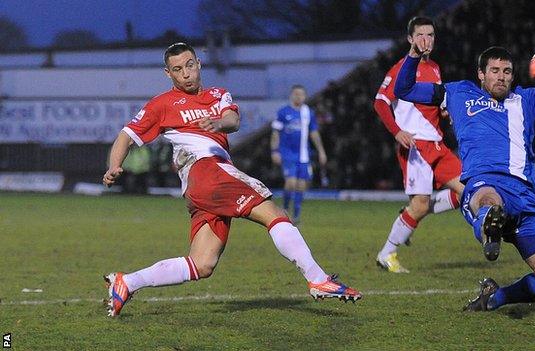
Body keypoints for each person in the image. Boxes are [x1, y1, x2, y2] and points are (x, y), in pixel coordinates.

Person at [102, 43, 361, 317]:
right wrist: (114, 165)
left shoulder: (218, 94)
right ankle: (318, 278)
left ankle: (127, 283)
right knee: (273, 213)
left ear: (199, 64)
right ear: (168, 74)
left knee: (202, 263)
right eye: (178, 70)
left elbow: (233, 119)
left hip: (202, 186)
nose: (186, 73)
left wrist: (218, 124)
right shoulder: (162, 104)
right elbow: (126, 135)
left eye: (190, 65)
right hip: (206, 171)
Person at [394, 7, 535, 310]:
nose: (501, 77)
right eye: (494, 71)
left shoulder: (527, 100)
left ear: (513, 76)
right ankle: (487, 225)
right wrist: (412, 56)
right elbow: (405, 88)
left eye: (506, 72)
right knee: (489, 199)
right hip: (485, 183)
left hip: (526, 199)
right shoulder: (458, 94)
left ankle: (496, 296)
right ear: (481, 74)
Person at [374, 16, 464, 273]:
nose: (427, 40)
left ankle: (410, 214)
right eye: (421, 35)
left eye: (431, 35)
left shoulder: (435, 67)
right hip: (416, 147)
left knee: (468, 190)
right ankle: (387, 254)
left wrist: (443, 112)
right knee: (422, 205)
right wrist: (397, 131)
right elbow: (380, 102)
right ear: (410, 39)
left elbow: (429, 103)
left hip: (437, 144)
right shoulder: (401, 68)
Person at [270, 85, 328, 224]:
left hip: (304, 155)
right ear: (291, 95)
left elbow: (314, 133)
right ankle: (284, 209)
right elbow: (275, 133)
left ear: (305, 96)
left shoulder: (308, 112)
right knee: (291, 183)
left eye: (301, 94)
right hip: (288, 154)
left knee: (301, 185)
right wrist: (274, 151)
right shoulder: (283, 112)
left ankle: (296, 216)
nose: (298, 97)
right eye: (296, 94)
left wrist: (321, 151)